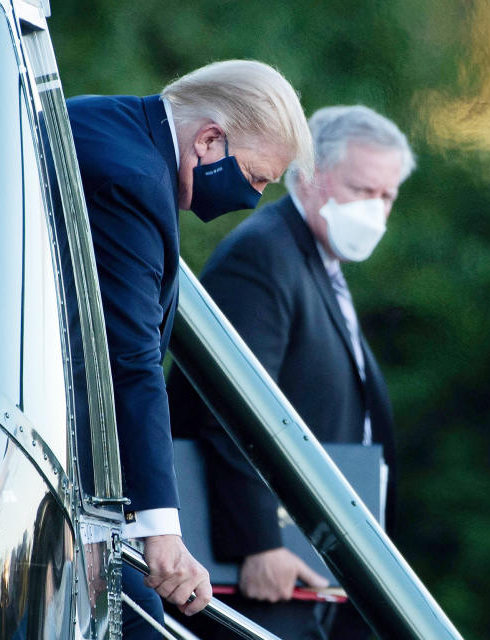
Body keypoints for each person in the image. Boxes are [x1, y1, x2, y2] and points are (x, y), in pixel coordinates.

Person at [66, 59, 314, 637]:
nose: (252, 201)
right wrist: (162, 533)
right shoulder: (133, 180)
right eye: (254, 178)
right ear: (209, 139)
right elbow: (129, 362)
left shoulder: (109, 123)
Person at [168, 105, 415, 639]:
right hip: (262, 575)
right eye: (361, 190)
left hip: (314, 570)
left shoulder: (315, 265)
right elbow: (231, 406)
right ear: (309, 173)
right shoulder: (262, 255)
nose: (375, 210)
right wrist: (259, 543)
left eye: (387, 197)